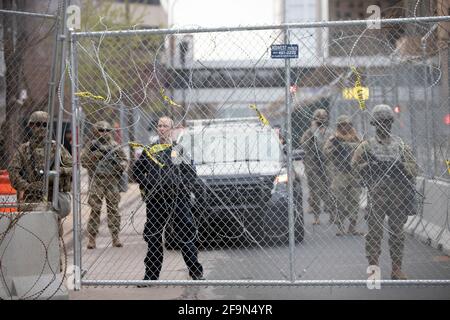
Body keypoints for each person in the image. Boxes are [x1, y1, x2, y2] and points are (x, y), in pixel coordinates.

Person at [132, 116, 204, 281]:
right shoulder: (150, 151)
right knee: (154, 237)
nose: (162, 128)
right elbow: (136, 172)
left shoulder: (178, 150)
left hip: (177, 199)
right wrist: (149, 183)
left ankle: (196, 272)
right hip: (156, 200)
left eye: (165, 126)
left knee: (186, 235)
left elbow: (190, 174)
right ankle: (151, 276)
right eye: (160, 126)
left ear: (172, 129)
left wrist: (181, 187)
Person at [352, 104, 418, 280]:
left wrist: (400, 167)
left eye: (387, 122)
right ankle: (373, 270)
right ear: (375, 123)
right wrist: (370, 166)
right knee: (374, 234)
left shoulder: (400, 145)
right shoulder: (366, 146)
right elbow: (354, 167)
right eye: (381, 122)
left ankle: (396, 269)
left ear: (391, 123)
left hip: (398, 196)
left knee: (397, 233)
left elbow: (414, 168)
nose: (384, 125)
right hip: (377, 196)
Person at [8, 111, 72, 210]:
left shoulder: (57, 148)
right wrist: (27, 186)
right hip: (31, 198)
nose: (42, 128)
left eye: (45, 125)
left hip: (54, 197)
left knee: (53, 224)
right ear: (31, 126)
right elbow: (13, 171)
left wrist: (60, 171)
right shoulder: (24, 149)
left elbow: (73, 167)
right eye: (38, 124)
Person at [81, 121, 128, 249]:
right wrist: (95, 156)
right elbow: (83, 161)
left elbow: (125, 160)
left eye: (107, 130)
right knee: (95, 209)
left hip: (112, 181)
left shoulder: (115, 146)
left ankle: (115, 237)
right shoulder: (92, 146)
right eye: (101, 130)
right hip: (97, 180)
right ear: (96, 131)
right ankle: (92, 238)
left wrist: (120, 166)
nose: (104, 133)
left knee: (113, 209)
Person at [323, 115, 363, 236]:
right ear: (339, 126)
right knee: (339, 200)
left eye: (348, 124)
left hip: (354, 174)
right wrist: (334, 150)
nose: (346, 127)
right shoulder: (334, 138)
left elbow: (363, 149)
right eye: (343, 125)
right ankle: (340, 226)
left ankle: (352, 226)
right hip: (340, 173)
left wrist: (349, 147)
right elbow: (325, 152)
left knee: (354, 200)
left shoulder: (356, 137)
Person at [300, 108, 334, 225]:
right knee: (315, 191)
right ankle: (316, 216)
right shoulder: (309, 132)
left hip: (327, 164)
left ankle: (332, 214)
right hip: (313, 165)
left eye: (323, 118)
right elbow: (304, 146)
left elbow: (335, 148)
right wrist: (313, 132)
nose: (321, 121)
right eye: (319, 119)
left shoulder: (330, 133)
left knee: (330, 190)